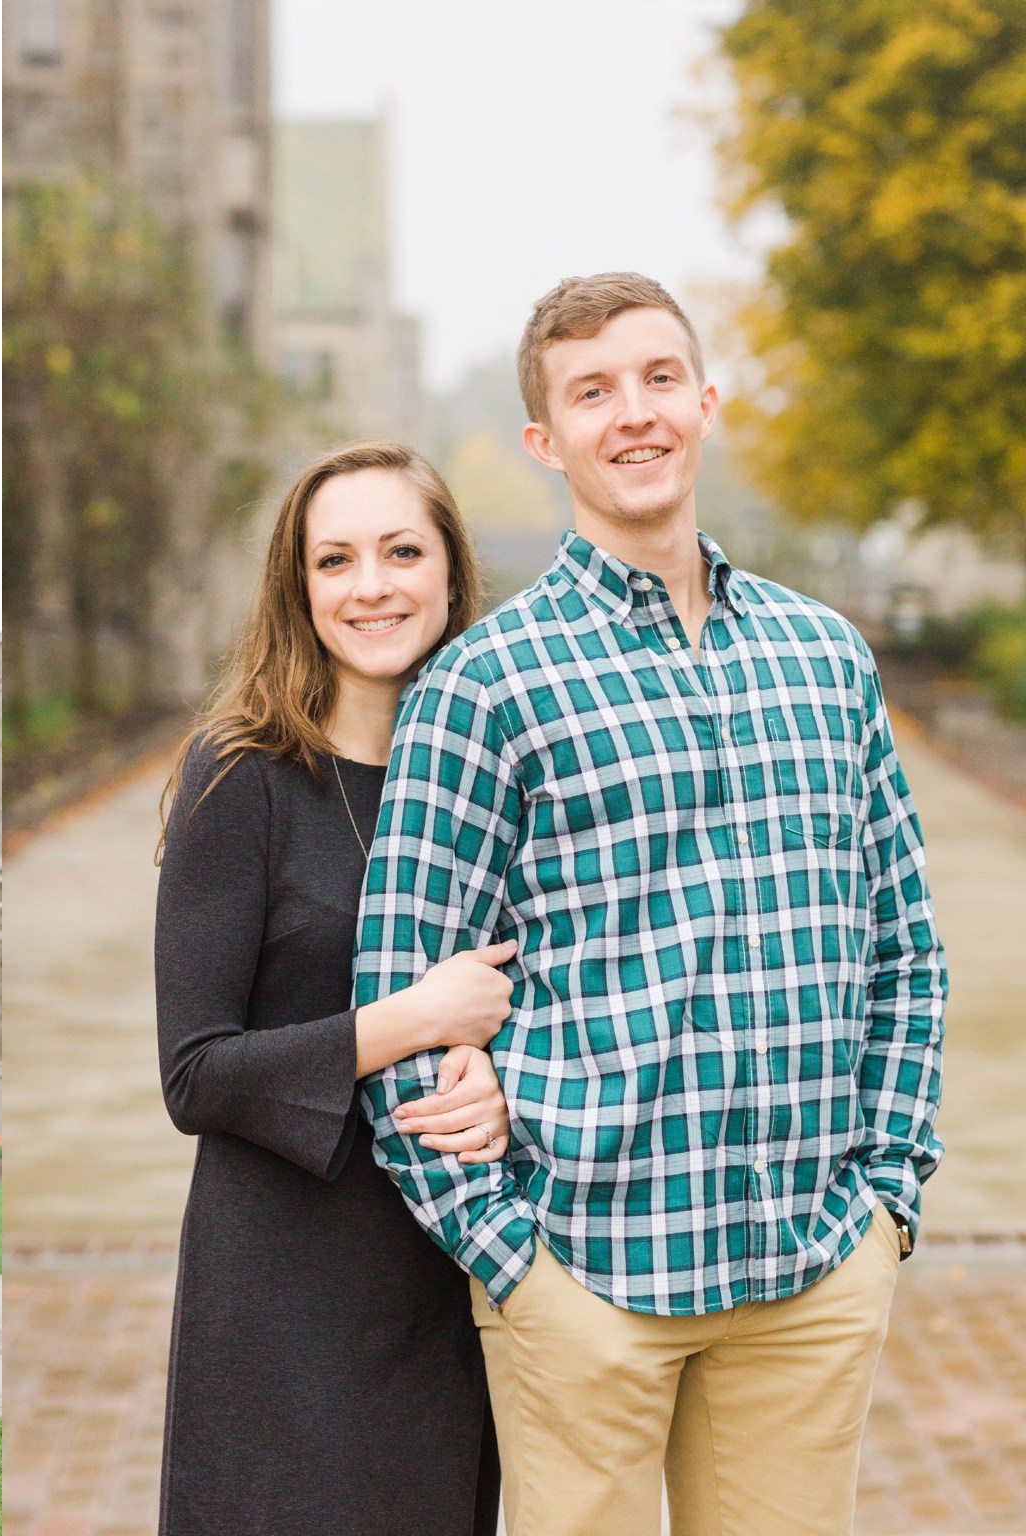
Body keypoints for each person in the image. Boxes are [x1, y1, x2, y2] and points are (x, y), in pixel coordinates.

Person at [355, 273, 947, 1536]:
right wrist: (510, 1259)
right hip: (584, 1283)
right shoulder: (483, 687)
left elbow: (903, 948)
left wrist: (883, 1202)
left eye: (655, 378)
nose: (630, 414)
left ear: (704, 401)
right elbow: (395, 1000)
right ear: (543, 441)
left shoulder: (824, 657)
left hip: (809, 1267)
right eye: (589, 392)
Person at [155, 440, 522, 1536]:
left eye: (401, 551)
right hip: (284, 1293)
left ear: (449, 573)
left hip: (444, 1279)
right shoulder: (239, 776)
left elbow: (547, 999)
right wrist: (412, 1019)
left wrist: (503, 1088)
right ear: (297, 587)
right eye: (335, 560)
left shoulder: (497, 774)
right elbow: (195, 1075)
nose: (371, 586)